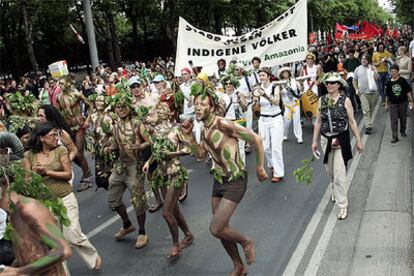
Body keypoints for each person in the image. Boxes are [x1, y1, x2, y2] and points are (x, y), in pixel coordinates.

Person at [180, 81, 268, 276]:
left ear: (211, 106)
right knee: (221, 230)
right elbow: (201, 155)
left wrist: (260, 167)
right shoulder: (203, 128)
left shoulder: (223, 123)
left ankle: (246, 241)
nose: (199, 107)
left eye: (203, 104)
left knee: (215, 227)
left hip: (235, 181)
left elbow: (256, 139)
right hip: (218, 182)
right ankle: (238, 265)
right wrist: (189, 137)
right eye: (196, 104)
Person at [23, 122, 102, 271]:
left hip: (65, 197)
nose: (56, 138)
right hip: (45, 203)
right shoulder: (29, 155)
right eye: (52, 135)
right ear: (41, 138)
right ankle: (62, 273)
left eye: (56, 134)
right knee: (56, 241)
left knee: (72, 234)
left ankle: (93, 256)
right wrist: (33, 175)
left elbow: (68, 174)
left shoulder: (60, 150)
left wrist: (47, 172)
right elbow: (27, 180)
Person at [143, 102, 193, 258]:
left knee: (166, 212)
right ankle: (188, 234)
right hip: (161, 174)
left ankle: (175, 244)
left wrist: (172, 154)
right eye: (159, 110)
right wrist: (148, 162)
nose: (162, 111)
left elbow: (188, 149)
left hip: (175, 173)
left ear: (171, 113)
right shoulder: (155, 131)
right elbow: (156, 151)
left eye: (165, 109)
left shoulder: (177, 129)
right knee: (175, 210)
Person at [0, 168, 72, 275]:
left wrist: (20, 272)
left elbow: (63, 250)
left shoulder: (28, 208)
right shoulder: (8, 214)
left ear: (4, 182)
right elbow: (27, 253)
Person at [312, 73, 364, 220]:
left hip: (341, 139)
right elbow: (318, 122)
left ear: (339, 85)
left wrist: (359, 140)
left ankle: (342, 205)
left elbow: (352, 122)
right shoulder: (322, 100)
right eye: (327, 83)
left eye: (333, 83)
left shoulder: (345, 100)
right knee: (330, 171)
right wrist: (314, 141)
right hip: (326, 139)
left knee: (340, 174)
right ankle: (333, 187)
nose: (329, 85)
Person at [105, 93, 149, 249]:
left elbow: (149, 142)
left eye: (124, 106)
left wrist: (138, 146)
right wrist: (111, 148)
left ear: (129, 108)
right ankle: (127, 224)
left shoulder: (138, 124)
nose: (121, 109)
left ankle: (142, 232)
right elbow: (117, 146)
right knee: (112, 199)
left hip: (135, 167)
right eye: (118, 107)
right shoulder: (116, 126)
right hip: (120, 166)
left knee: (138, 202)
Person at [55, 77, 93, 191]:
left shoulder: (76, 94)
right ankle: (86, 170)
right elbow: (58, 113)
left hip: (79, 125)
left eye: (62, 83)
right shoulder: (58, 97)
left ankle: (86, 178)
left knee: (79, 152)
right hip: (67, 127)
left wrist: (88, 120)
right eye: (59, 84)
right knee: (72, 153)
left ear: (67, 83)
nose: (60, 85)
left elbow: (90, 105)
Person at [254, 67, 285, 182]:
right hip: (263, 120)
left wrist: (265, 95)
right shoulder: (258, 88)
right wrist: (254, 100)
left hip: (276, 119)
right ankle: (272, 164)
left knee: (276, 148)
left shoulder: (275, 87)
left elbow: (276, 101)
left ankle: (278, 173)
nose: (261, 77)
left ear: (268, 76)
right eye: (260, 75)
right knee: (264, 147)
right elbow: (256, 104)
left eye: (263, 75)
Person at [219, 76, 247, 165]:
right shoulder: (222, 97)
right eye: (226, 83)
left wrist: (240, 102)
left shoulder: (239, 94)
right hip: (227, 123)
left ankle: (242, 166)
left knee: (240, 146)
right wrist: (222, 107)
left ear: (233, 84)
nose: (228, 85)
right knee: (229, 146)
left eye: (230, 83)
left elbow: (245, 108)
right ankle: (233, 166)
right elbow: (220, 115)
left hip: (239, 122)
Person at [384, 64, 414, 143]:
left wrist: (411, 101)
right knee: (393, 120)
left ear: (398, 72)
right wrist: (386, 104)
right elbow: (387, 95)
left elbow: (408, 91)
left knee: (403, 118)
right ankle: (395, 136)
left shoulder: (402, 80)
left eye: (394, 71)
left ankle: (402, 130)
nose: (393, 73)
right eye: (391, 71)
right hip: (392, 104)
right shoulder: (388, 82)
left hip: (403, 103)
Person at [353, 54, 379, 134]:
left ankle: (368, 122)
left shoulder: (372, 67)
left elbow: (377, 78)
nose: (363, 60)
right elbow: (354, 81)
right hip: (363, 93)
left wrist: (372, 70)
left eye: (365, 59)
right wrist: (357, 89)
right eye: (362, 59)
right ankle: (368, 126)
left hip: (373, 93)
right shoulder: (357, 69)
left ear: (368, 60)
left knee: (370, 110)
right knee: (366, 110)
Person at [277, 67, 303, 144]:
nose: (285, 73)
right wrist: (280, 89)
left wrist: (301, 84)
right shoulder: (280, 83)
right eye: (283, 72)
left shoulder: (294, 81)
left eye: (286, 72)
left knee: (297, 121)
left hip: (295, 104)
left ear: (289, 73)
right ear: (281, 74)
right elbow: (279, 94)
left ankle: (299, 137)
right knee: (286, 121)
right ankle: (285, 134)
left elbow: (301, 89)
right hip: (287, 106)